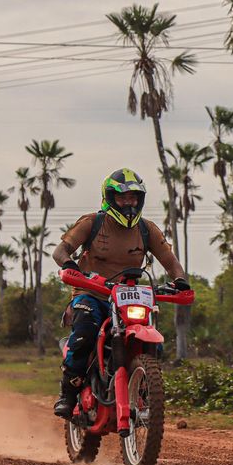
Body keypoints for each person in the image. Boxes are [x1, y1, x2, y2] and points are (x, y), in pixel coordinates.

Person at [51, 168, 189, 419]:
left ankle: (143, 390)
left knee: (150, 343)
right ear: (110, 197)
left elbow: (171, 262)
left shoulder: (147, 230)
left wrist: (180, 281)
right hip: (90, 293)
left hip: (128, 296)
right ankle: (67, 394)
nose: (129, 203)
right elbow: (60, 251)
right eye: (123, 197)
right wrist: (69, 266)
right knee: (84, 334)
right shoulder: (92, 223)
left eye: (134, 197)